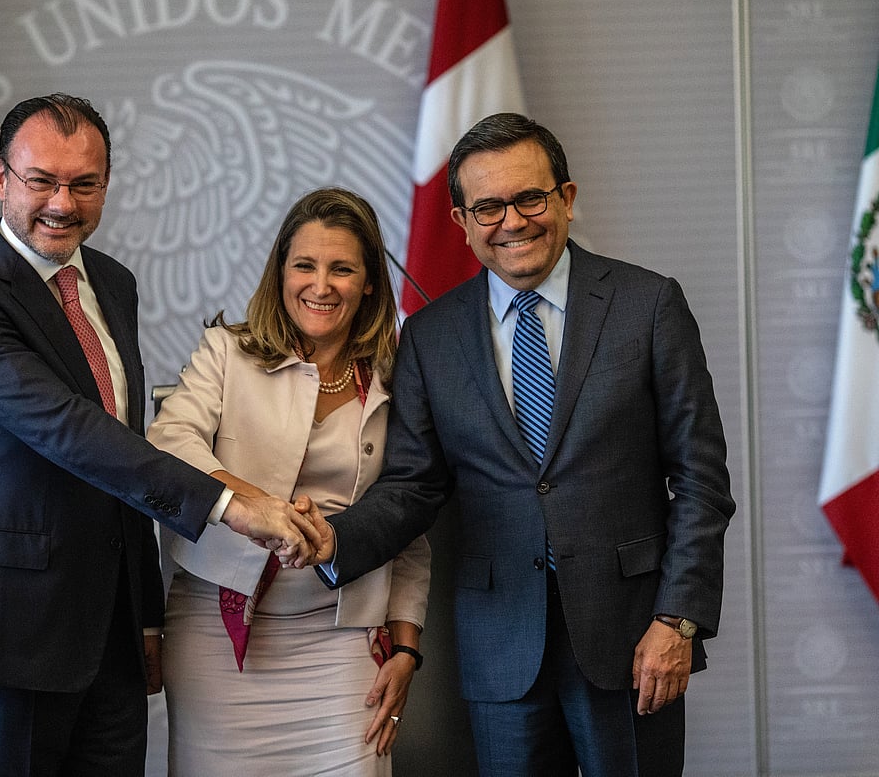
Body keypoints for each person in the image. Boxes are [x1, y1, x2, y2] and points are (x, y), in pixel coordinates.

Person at [290, 113, 735, 776]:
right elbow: (415, 484)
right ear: (461, 222)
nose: (514, 221)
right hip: (501, 648)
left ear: (568, 197)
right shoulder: (432, 336)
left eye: (531, 198)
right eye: (489, 206)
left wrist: (678, 621)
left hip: (634, 638)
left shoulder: (648, 304)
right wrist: (336, 539)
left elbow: (701, 481)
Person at [0, 93, 320, 777]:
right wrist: (231, 501)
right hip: (4, 637)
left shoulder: (111, 282)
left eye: (85, 183)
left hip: (110, 642)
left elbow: (121, 454)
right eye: (42, 180)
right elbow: (72, 431)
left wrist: (146, 617)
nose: (63, 203)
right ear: (0, 177)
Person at [146, 187, 431, 776]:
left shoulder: (400, 376)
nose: (320, 285)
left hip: (343, 642)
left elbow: (407, 519)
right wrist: (259, 508)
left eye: (342, 269)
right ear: (280, 273)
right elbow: (169, 445)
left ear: (370, 281)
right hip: (215, 637)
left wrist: (406, 647)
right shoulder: (226, 351)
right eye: (304, 265)